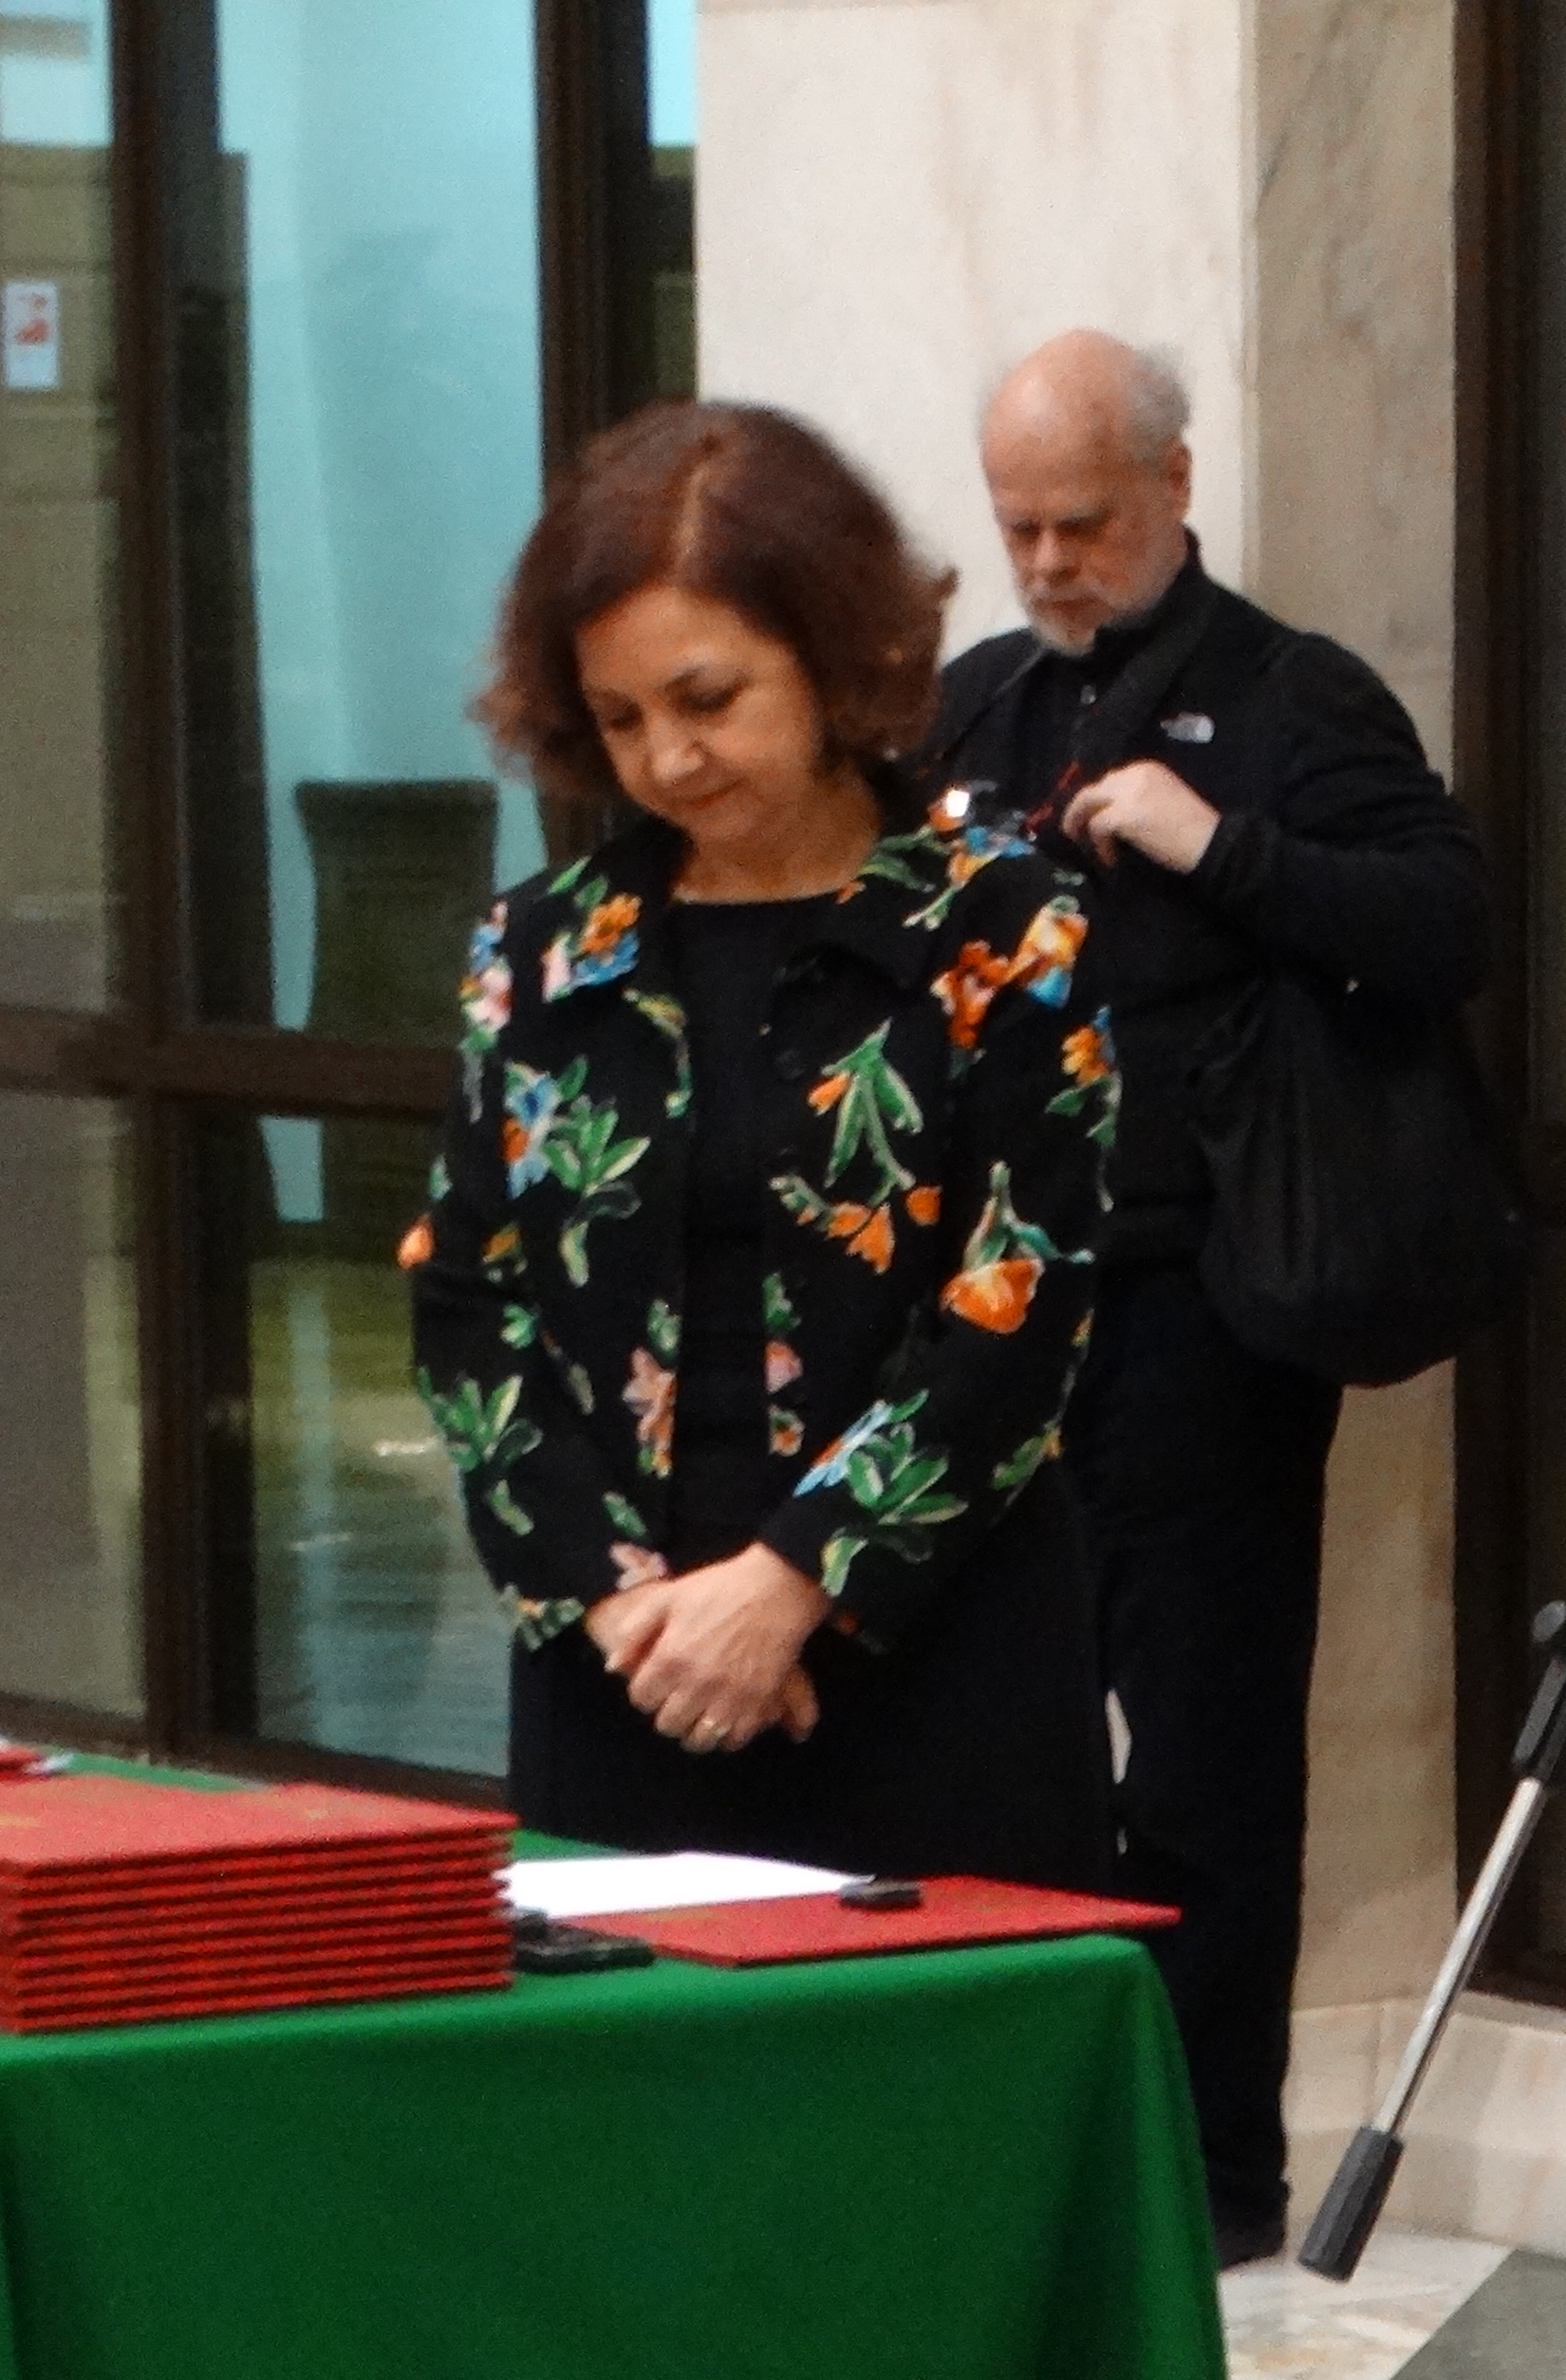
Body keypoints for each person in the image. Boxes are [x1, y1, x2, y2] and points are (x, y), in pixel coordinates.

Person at [931, 331, 1489, 2268]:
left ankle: (1214, 2172)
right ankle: (1034, 2136)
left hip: (1199, 1319)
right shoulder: (980, 703)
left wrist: (1220, 846)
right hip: (996, 1318)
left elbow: (1445, 923)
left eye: (1083, 521)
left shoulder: (1290, 693)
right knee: (1001, 1744)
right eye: (1019, 527)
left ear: (1175, 485)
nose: (1051, 561)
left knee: (1203, 1759)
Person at [413, 401, 1114, 1886]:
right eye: (620, 719)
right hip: (628, 1669)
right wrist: (624, 1609)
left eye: (708, 698)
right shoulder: (542, 951)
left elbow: (1022, 1301)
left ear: (834, 654)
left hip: (934, 1652)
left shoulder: (1002, 924)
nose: (669, 758)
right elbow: (468, 1298)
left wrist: (791, 1585)